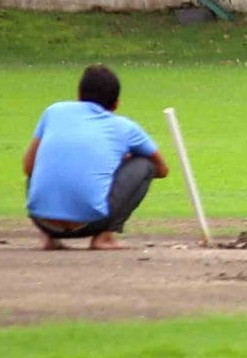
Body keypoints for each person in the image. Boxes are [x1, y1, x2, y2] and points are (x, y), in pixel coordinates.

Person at [23, 64, 170, 250]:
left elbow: (28, 167)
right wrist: (118, 163)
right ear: (116, 104)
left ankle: (49, 237)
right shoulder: (125, 127)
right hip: (90, 223)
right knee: (145, 164)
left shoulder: (53, 111)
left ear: (79, 96)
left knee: (42, 162)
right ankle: (105, 236)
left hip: (41, 220)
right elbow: (162, 169)